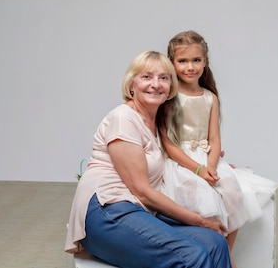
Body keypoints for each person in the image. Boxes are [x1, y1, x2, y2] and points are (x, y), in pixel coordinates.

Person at [65, 51, 232, 268]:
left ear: (171, 87)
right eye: (146, 77)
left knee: (215, 243)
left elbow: (178, 155)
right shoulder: (123, 118)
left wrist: (218, 163)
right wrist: (198, 220)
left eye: (163, 78)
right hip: (108, 209)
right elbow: (142, 190)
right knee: (192, 255)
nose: (156, 84)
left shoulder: (156, 123)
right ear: (131, 85)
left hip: (139, 211)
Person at [159, 31, 278, 268]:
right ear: (172, 62)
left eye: (196, 60)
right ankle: (222, 259)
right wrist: (198, 169)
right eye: (182, 61)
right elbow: (168, 143)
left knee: (234, 193)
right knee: (201, 197)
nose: (190, 67)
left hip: (206, 158)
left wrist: (211, 166)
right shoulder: (170, 96)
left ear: (205, 62)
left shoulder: (210, 97)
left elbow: (214, 138)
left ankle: (224, 255)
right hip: (182, 161)